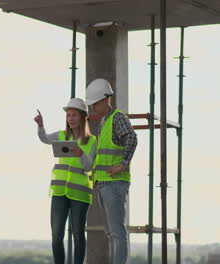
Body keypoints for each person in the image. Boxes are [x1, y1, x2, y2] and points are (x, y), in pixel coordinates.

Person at [34, 98, 97, 264]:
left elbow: (89, 166)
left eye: (74, 115)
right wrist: (40, 125)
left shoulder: (91, 141)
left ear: (83, 117)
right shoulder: (62, 135)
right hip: (59, 192)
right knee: (56, 236)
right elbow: (45, 139)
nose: (70, 118)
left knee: (78, 235)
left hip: (80, 193)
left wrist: (81, 154)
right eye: (68, 115)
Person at [85, 78, 138, 264]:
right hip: (103, 183)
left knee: (117, 233)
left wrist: (123, 164)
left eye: (94, 104)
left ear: (106, 99)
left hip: (115, 184)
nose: (92, 108)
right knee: (111, 233)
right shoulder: (104, 122)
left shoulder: (118, 118)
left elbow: (131, 138)